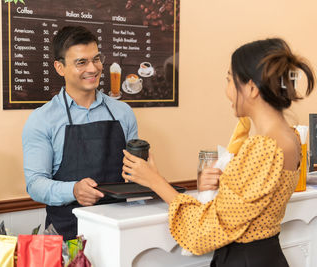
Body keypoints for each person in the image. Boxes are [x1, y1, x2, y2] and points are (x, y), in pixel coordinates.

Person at [122, 38, 314, 266]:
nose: (227, 91)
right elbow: (253, 202)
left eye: (229, 81)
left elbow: (206, 230)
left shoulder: (265, 147)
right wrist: (227, 182)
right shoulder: (288, 136)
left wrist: (155, 181)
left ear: (251, 88)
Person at [23, 26, 138, 241]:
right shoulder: (41, 120)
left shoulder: (123, 113)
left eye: (96, 59)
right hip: (66, 236)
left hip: (119, 233)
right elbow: (35, 184)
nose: (93, 68)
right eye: (81, 62)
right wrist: (73, 190)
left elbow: (134, 175)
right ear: (60, 68)